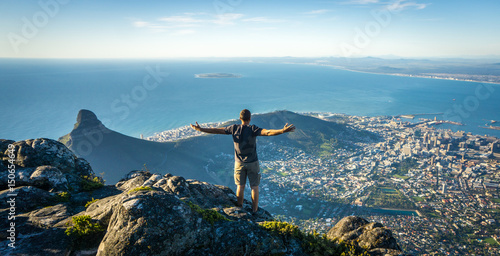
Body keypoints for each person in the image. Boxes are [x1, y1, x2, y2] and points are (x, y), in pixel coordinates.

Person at [190, 109, 295, 213]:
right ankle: (255, 210)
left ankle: (239, 207)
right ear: (250, 118)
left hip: (239, 163)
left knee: (240, 186)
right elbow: (267, 132)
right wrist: (281, 131)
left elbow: (216, 130)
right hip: (253, 162)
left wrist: (201, 129)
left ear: (240, 118)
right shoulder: (253, 129)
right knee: (254, 187)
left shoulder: (234, 128)